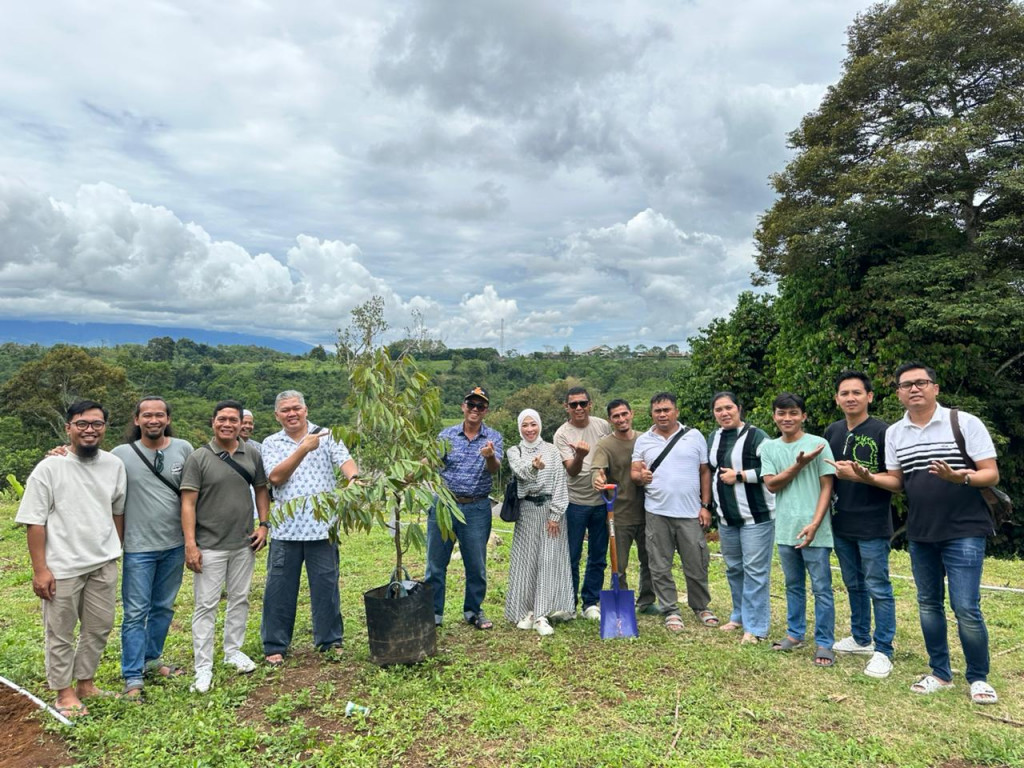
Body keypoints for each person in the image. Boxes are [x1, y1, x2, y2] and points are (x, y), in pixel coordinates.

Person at [851, 362, 1000, 704]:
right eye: (906, 385)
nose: (914, 389)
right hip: (920, 531)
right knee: (928, 604)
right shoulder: (895, 433)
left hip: (964, 529)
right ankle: (940, 673)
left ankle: (978, 677)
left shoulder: (963, 423)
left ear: (935, 388)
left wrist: (959, 477)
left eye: (920, 383)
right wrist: (868, 478)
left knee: (966, 607)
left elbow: (990, 474)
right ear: (899, 393)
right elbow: (897, 482)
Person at [15, 400, 126, 718]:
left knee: (99, 626)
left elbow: (117, 510)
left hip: (102, 562)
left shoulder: (113, 465)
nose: (90, 430)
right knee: (60, 631)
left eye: (97, 424)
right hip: (62, 566)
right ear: (69, 428)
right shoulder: (50, 468)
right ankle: (63, 693)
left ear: (105, 428)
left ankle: (86, 683)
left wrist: (113, 549)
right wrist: (40, 570)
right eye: (82, 424)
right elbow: (34, 522)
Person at [260, 390, 358, 665]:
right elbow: (276, 477)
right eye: (285, 410)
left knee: (326, 587)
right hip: (284, 530)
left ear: (306, 409)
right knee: (279, 589)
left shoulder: (327, 436)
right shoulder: (271, 443)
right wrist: (303, 448)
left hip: (322, 529)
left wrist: (354, 478)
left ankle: (330, 641)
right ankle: (275, 644)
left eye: (296, 408)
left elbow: (346, 463)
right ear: (277, 415)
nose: (292, 414)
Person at [180, 400, 270, 693]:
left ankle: (233, 651)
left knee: (240, 598)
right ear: (213, 422)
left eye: (233, 419)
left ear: (242, 423)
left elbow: (261, 490)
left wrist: (263, 525)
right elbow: (188, 504)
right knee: (205, 605)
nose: (228, 424)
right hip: (210, 545)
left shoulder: (251, 454)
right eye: (222, 419)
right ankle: (203, 666)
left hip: (243, 542)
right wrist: (190, 544)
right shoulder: (199, 458)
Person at [110, 396, 194, 698]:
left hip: (173, 545)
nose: (153, 420)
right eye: (147, 415)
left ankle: (152, 658)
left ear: (168, 419)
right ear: (137, 420)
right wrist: (63, 453)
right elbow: (92, 468)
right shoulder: (120, 454)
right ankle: (132, 676)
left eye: (159, 415)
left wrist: (191, 541)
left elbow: (192, 495)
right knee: (135, 612)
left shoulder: (183, 449)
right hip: (137, 548)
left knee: (162, 607)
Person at [823, 371, 896, 679]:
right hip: (842, 521)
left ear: (869, 396)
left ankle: (884, 650)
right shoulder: (833, 431)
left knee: (878, 586)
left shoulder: (884, 431)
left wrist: (863, 476)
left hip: (873, 522)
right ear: (837, 399)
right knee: (853, 583)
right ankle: (860, 637)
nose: (850, 397)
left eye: (856, 392)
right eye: (844, 393)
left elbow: (896, 481)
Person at [760, 393, 837, 666]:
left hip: (816, 528)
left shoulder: (819, 444)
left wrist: (816, 523)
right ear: (774, 417)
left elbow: (828, 485)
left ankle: (825, 642)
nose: (787, 418)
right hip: (785, 528)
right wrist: (799, 464)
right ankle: (794, 634)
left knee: (822, 588)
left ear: (803, 415)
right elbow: (772, 484)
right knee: (793, 585)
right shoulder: (769, 448)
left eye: (793, 413)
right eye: (781, 413)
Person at [630, 392, 718, 633]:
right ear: (651, 414)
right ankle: (670, 609)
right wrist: (641, 477)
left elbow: (704, 472)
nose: (662, 414)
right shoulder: (644, 440)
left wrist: (705, 505)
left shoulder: (694, 436)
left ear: (676, 412)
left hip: (690, 511)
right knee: (659, 565)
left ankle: (701, 606)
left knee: (697, 563)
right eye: (657, 411)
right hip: (657, 512)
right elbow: (635, 473)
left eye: (667, 410)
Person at [426, 386, 503, 629]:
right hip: (445, 505)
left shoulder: (493, 437)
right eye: (471, 404)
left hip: (477, 507)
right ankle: (434, 614)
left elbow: (495, 468)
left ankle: (473, 611)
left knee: (476, 565)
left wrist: (489, 455)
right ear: (463, 407)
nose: (475, 409)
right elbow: (432, 462)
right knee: (436, 564)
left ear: (486, 411)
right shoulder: (446, 436)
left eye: (480, 406)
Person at [707, 392, 775, 645]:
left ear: (739, 409)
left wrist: (740, 476)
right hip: (726, 518)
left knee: (755, 571)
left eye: (729, 408)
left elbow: (772, 469)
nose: (724, 413)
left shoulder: (757, 436)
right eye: (718, 409)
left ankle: (756, 627)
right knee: (734, 568)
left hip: (756, 517)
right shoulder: (713, 437)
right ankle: (739, 615)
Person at [504, 409, 575, 636]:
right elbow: (521, 473)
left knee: (548, 560)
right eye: (525, 425)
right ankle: (527, 611)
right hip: (526, 511)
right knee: (526, 562)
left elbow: (560, 484)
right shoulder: (514, 451)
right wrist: (534, 466)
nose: (530, 429)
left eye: (533, 424)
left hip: (549, 510)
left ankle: (542, 613)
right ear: (519, 428)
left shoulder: (552, 451)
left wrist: (555, 515)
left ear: (540, 425)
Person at [590, 399, 657, 615]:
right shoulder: (605, 445)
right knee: (619, 564)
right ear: (610, 420)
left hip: (649, 510)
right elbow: (597, 469)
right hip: (619, 514)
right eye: (616, 416)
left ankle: (647, 600)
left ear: (632, 414)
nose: (621, 419)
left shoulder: (645, 439)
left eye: (624, 414)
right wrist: (597, 478)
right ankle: (622, 602)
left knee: (650, 561)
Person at [554, 387, 612, 620]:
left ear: (590, 404)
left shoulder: (602, 426)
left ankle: (591, 602)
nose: (579, 408)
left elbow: (610, 456)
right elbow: (571, 469)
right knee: (572, 555)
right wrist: (579, 455)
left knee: (598, 554)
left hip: (603, 501)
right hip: (575, 502)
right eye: (573, 404)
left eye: (583, 403)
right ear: (566, 407)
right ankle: (569, 603)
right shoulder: (562, 434)